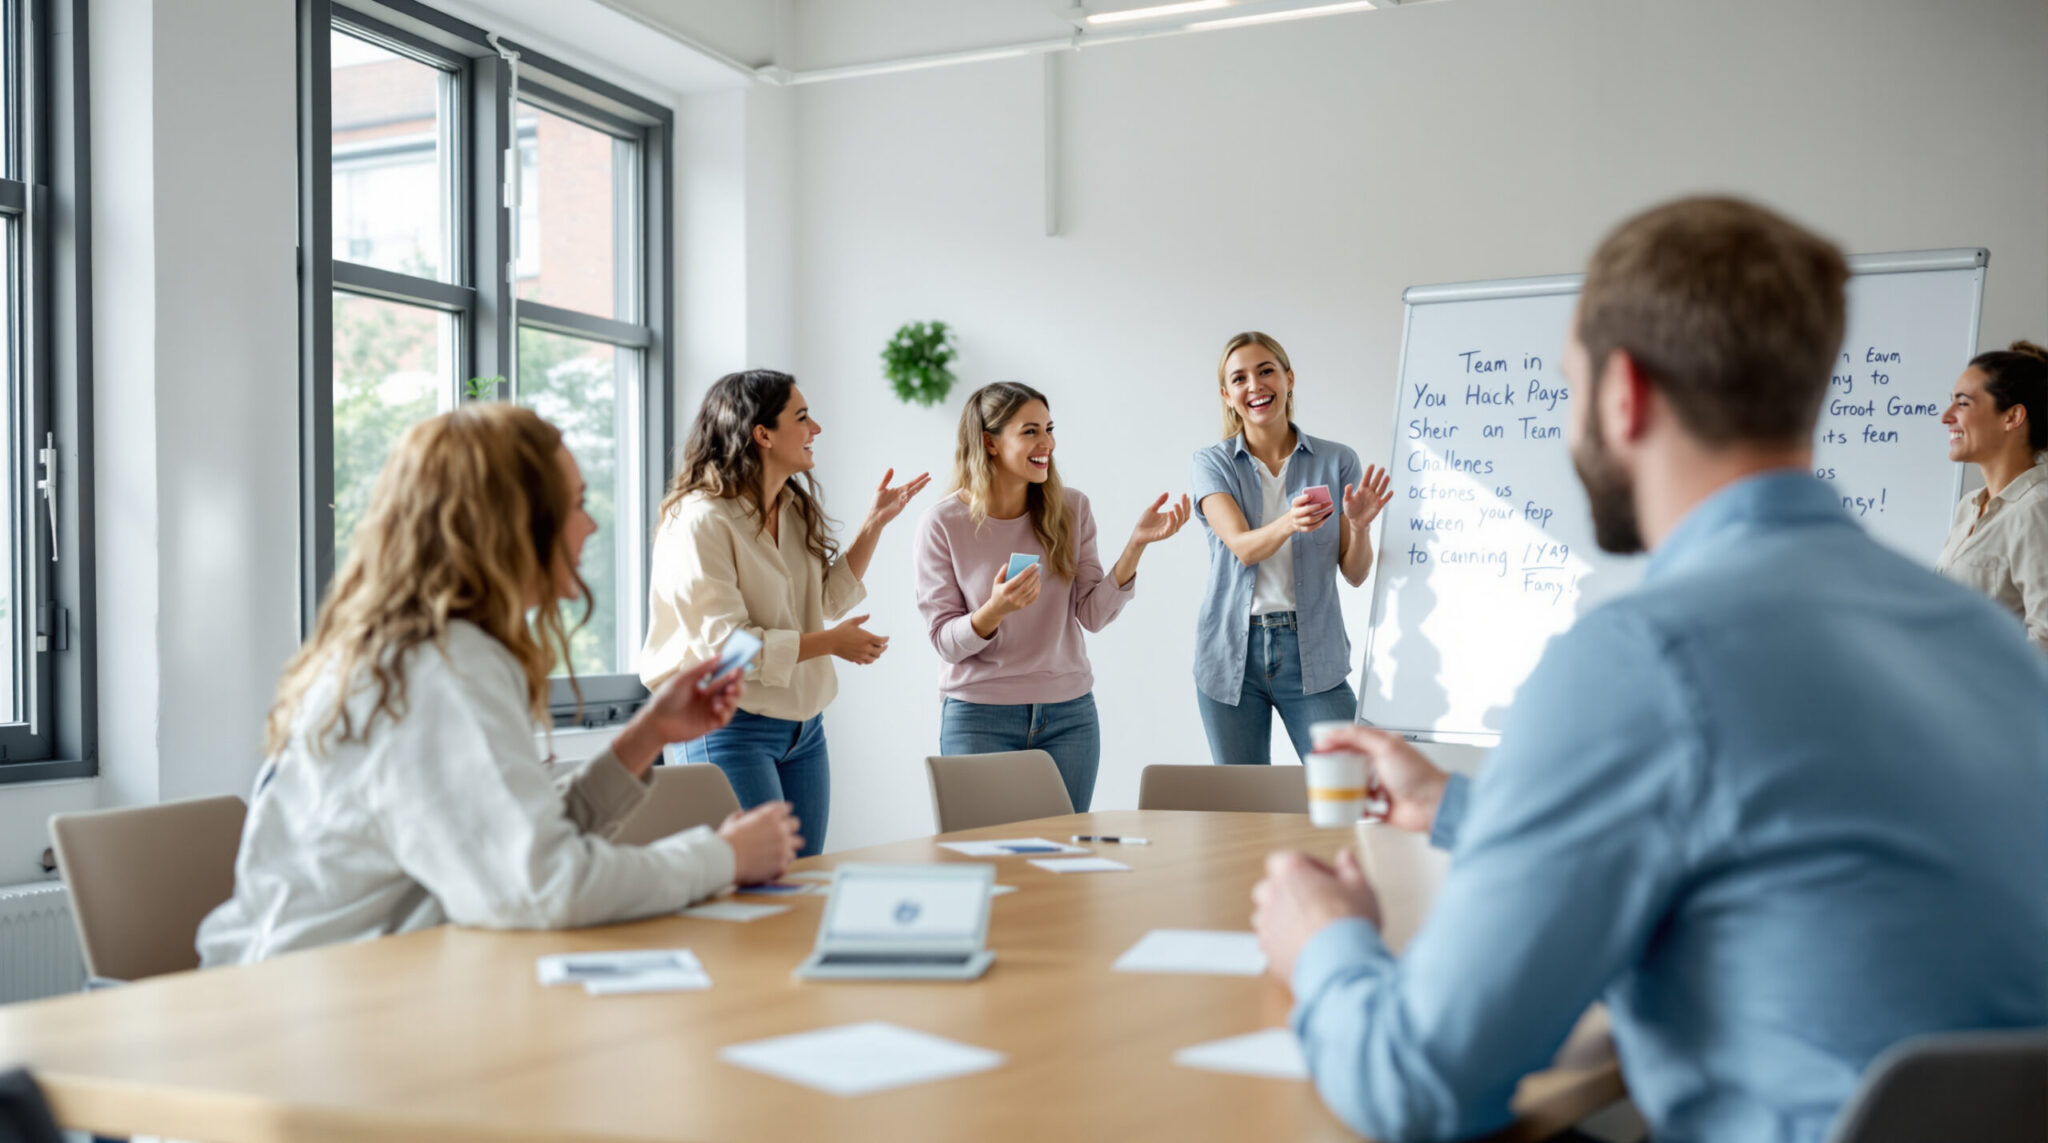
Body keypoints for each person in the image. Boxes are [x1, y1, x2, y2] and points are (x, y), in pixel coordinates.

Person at [1250, 198, 2048, 1143]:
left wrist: (1324, 941)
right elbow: (1766, 846)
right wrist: (1457, 807)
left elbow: (1417, 1083)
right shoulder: (1986, 643)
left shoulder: (1645, 660)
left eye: (1568, 388)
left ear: (1623, 391)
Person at [200, 405, 801, 967]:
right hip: (316, 1006)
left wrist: (650, 734)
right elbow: (546, 887)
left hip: (349, 985)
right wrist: (723, 858)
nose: (591, 526)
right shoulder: (442, 670)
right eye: (577, 503)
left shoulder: (425, 654)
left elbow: (518, 851)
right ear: (514, 526)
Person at [639, 370, 928, 856]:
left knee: (802, 887)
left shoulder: (792, 507)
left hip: (803, 729)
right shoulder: (699, 520)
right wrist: (831, 644)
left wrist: (874, 525)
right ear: (762, 434)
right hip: (726, 727)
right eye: (802, 417)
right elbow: (726, 650)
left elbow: (822, 602)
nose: (815, 428)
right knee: (755, 889)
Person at [912, 382, 1190, 811]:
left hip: (1069, 717)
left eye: (1049, 428)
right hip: (978, 717)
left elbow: (1092, 616)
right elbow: (944, 642)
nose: (1048, 443)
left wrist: (1135, 547)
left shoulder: (1072, 509)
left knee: (1064, 862)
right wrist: (994, 610)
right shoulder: (943, 523)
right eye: (1030, 431)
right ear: (989, 442)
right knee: (990, 862)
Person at [1190, 332, 1392, 765]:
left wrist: (1358, 527)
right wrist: (1290, 522)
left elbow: (1355, 574)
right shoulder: (1212, 464)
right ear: (1227, 396)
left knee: (1349, 788)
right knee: (1243, 809)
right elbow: (1243, 547)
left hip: (1313, 651)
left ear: (1288, 379)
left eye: (1266, 371)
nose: (1255, 386)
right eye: (1240, 378)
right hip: (1231, 658)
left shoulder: (1336, 461)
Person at [1936, 340, 2048, 653]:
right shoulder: (1969, 507)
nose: (1946, 416)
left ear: (2012, 417)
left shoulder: (2038, 509)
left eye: (1963, 403)